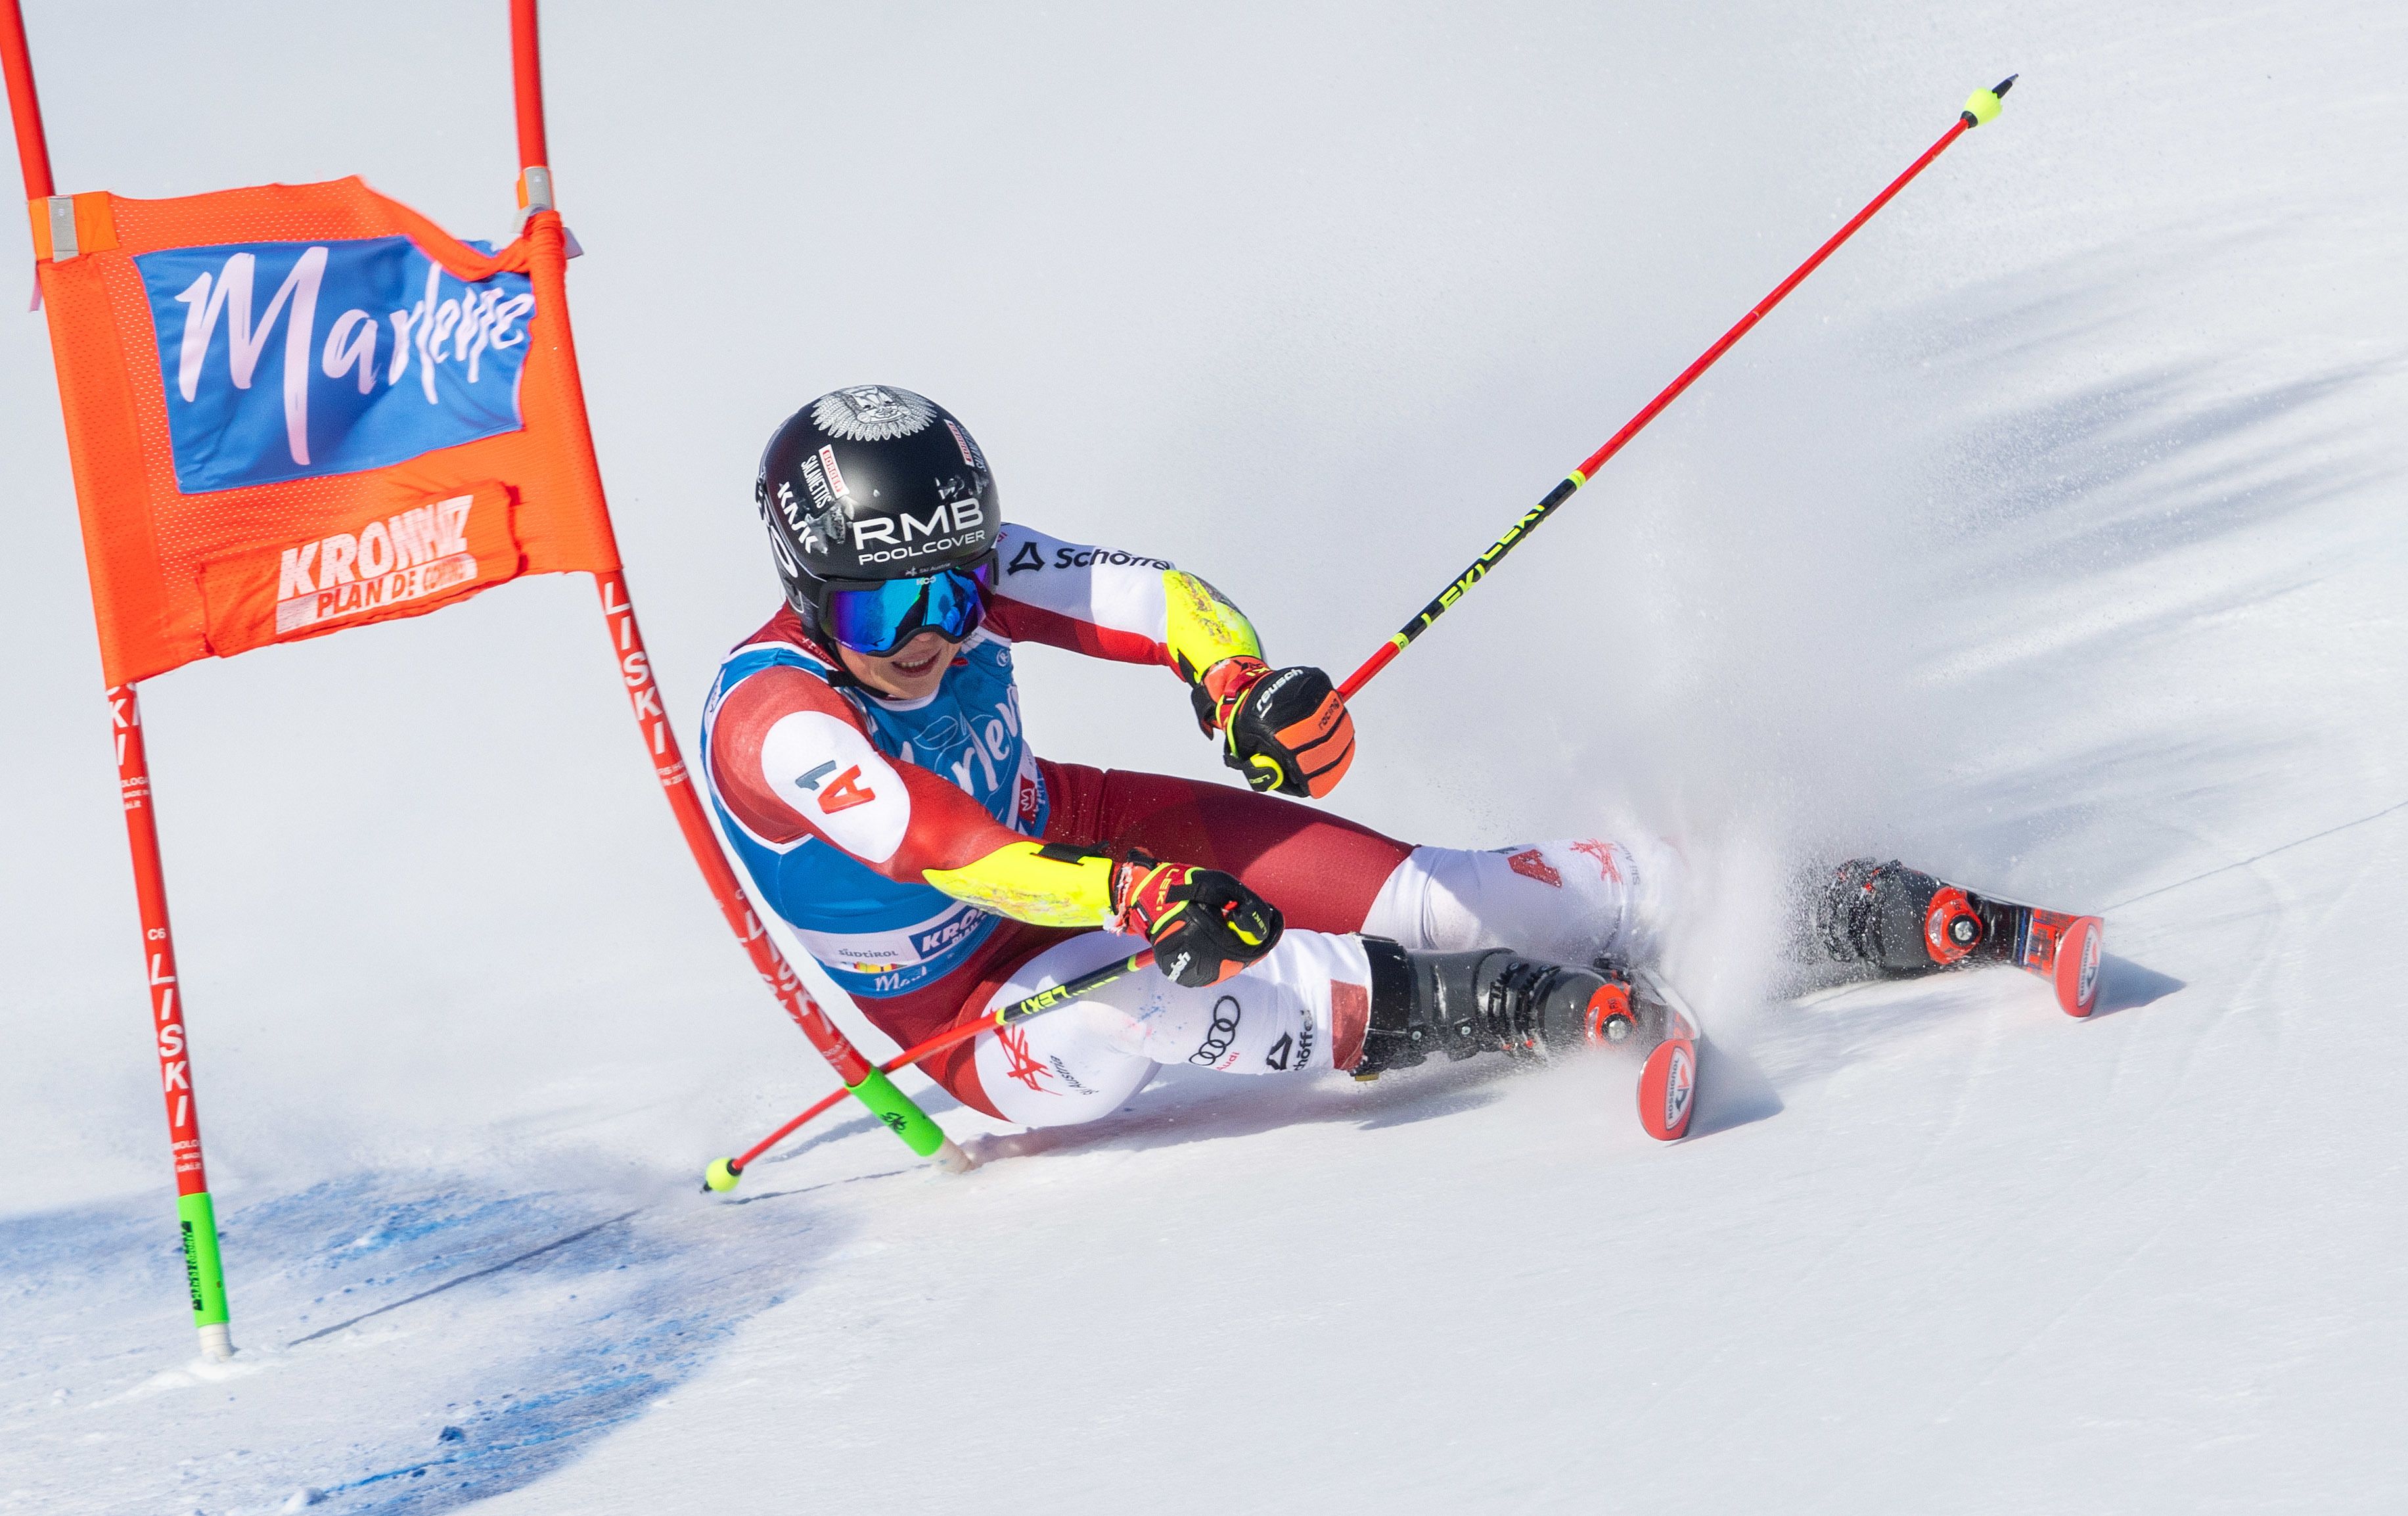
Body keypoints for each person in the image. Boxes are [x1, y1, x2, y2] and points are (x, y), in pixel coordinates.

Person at [700, 386, 2038, 1132]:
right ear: (810, 591)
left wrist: (1241, 687)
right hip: (972, 1012)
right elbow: (951, 852)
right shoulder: (775, 722)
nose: (936, 631)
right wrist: (1131, 899)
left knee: (1438, 888)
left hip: (1088, 836)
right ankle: (1496, 1001)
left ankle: (1795, 899)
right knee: (1136, 1004)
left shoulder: (958, 570)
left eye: (955, 593)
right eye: (890, 611)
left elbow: (1157, 599)